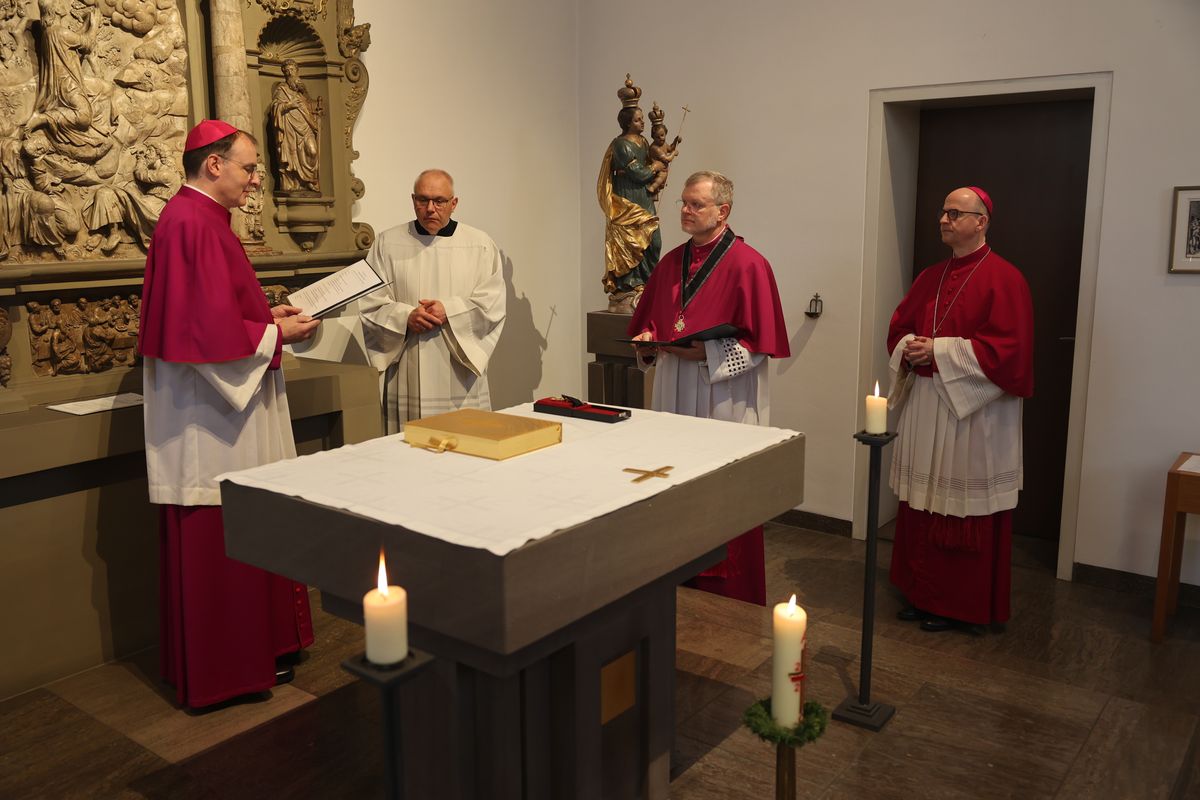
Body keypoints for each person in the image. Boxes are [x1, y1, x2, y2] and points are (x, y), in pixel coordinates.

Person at [137, 119, 321, 708]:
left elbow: (215, 308)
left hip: (224, 404)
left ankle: (261, 649)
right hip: (209, 416)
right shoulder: (191, 222)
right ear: (213, 165)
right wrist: (276, 331)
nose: (254, 181)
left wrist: (270, 315)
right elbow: (204, 332)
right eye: (247, 168)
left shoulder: (202, 221)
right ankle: (227, 670)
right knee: (222, 525)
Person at [628, 171, 790, 606]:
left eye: (696, 204)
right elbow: (650, 325)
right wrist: (648, 345)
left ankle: (728, 581)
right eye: (683, 202)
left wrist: (707, 353)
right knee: (674, 476)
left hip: (725, 395)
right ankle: (677, 567)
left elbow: (761, 344)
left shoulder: (750, 264)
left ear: (724, 211)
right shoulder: (667, 264)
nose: (685, 210)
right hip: (674, 387)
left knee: (723, 484)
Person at [886, 186, 1034, 634]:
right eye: (943, 212)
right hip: (928, 403)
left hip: (974, 413)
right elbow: (899, 327)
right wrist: (909, 348)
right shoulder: (930, 276)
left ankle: (957, 603)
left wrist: (941, 351)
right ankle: (919, 591)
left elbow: (1011, 353)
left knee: (961, 506)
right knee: (923, 499)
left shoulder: (1006, 279)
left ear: (981, 221)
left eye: (955, 213)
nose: (944, 220)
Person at [358, 169, 506, 432]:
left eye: (439, 201)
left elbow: (492, 304)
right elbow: (371, 303)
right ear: (413, 200)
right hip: (408, 366)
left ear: (454, 203)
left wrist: (449, 310)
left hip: (458, 369)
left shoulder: (479, 244)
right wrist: (406, 317)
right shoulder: (388, 243)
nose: (430, 209)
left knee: (464, 443)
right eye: (422, 200)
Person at [598, 75, 661, 306]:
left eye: (642, 119)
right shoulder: (621, 145)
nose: (642, 123)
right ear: (627, 123)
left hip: (643, 196)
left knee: (653, 241)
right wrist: (654, 167)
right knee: (630, 241)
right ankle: (631, 284)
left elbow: (649, 166)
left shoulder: (643, 142)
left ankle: (648, 282)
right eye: (638, 120)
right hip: (627, 198)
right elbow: (638, 173)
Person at [270, 58, 322, 193]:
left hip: (305, 125)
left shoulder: (301, 90)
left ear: (297, 71)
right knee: (293, 155)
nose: (289, 73)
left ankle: (310, 180)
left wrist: (305, 94)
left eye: (292, 70)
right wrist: (289, 105)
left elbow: (310, 106)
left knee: (312, 150)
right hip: (290, 129)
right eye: (287, 71)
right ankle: (295, 182)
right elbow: (275, 107)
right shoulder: (282, 89)